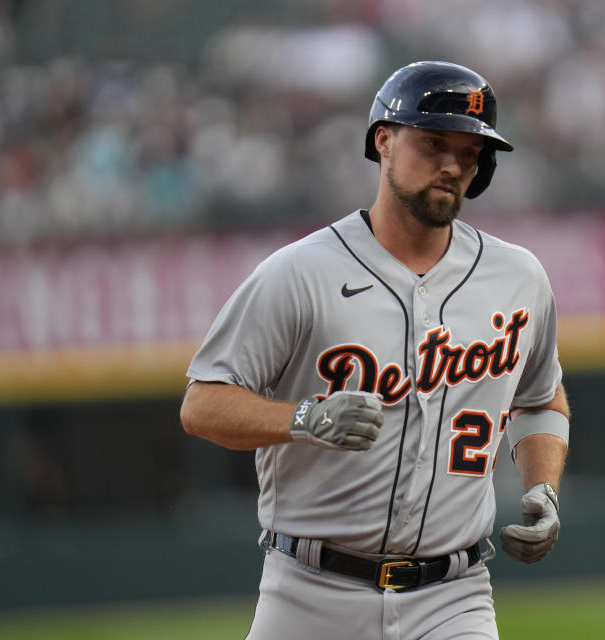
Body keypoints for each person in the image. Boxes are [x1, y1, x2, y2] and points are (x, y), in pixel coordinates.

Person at [179, 60, 570, 640]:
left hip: (453, 597)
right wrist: (302, 417)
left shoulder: (519, 277)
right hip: (309, 593)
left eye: (469, 152)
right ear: (383, 141)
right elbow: (203, 405)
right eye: (433, 142)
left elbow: (540, 400)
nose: (452, 165)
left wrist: (542, 487)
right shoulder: (300, 272)